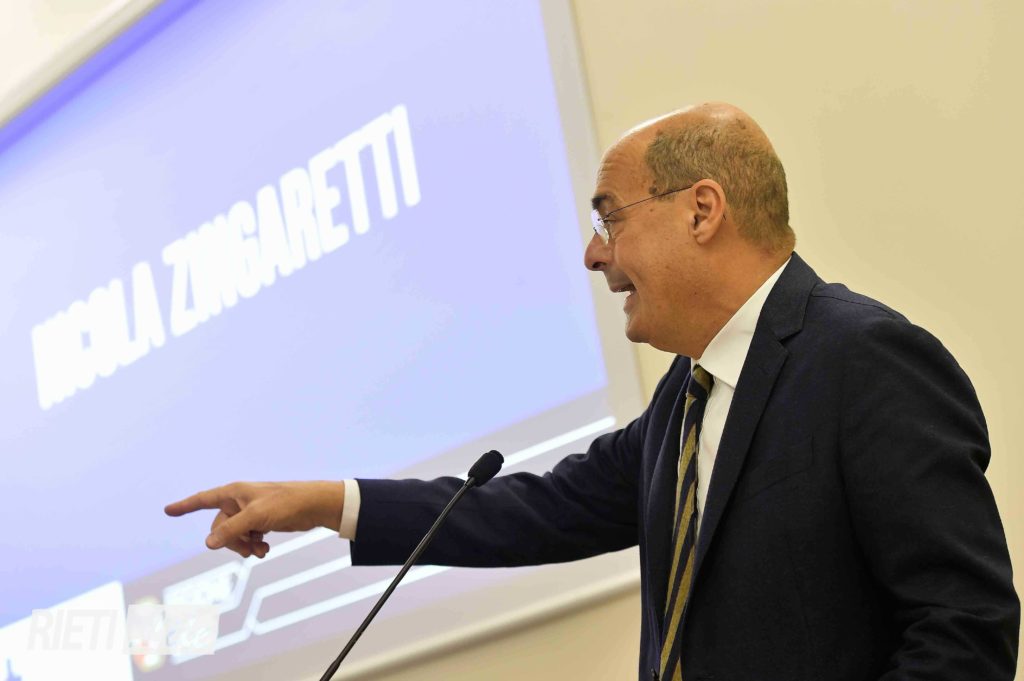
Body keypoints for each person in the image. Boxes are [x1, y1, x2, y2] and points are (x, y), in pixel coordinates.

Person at [166, 103, 1020, 680]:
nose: (593, 254)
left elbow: (965, 625)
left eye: (610, 217)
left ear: (702, 210)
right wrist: (325, 502)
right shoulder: (683, 402)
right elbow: (531, 509)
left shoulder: (866, 360)